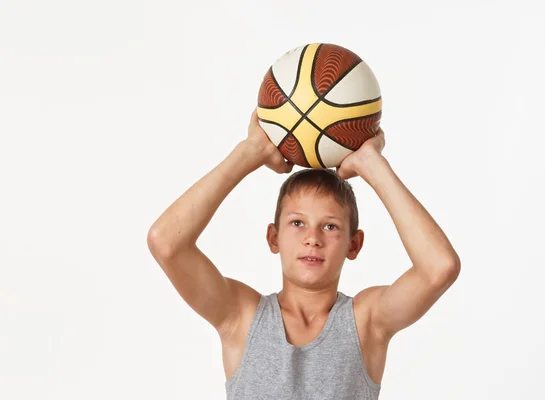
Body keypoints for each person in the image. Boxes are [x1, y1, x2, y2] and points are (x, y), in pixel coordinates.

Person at [147, 110, 461, 399]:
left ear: (354, 244)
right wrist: (250, 152)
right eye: (298, 223)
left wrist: (371, 164)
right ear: (274, 238)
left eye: (330, 227)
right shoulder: (239, 316)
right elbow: (166, 243)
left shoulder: (366, 321)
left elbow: (440, 267)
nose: (312, 238)